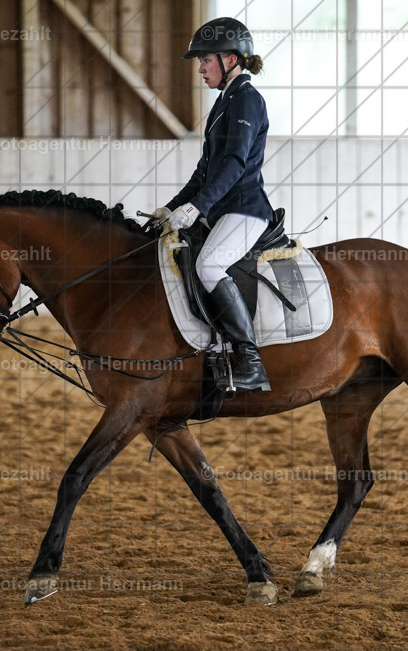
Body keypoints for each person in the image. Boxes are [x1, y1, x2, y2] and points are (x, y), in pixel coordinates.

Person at [152, 17, 273, 392]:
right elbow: (204, 171)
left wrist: (198, 207)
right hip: (222, 207)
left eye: (206, 60)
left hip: (245, 208)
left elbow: (235, 164)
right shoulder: (225, 102)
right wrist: (171, 208)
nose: (201, 68)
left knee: (209, 265)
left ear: (231, 59)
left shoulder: (248, 100)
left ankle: (250, 360)